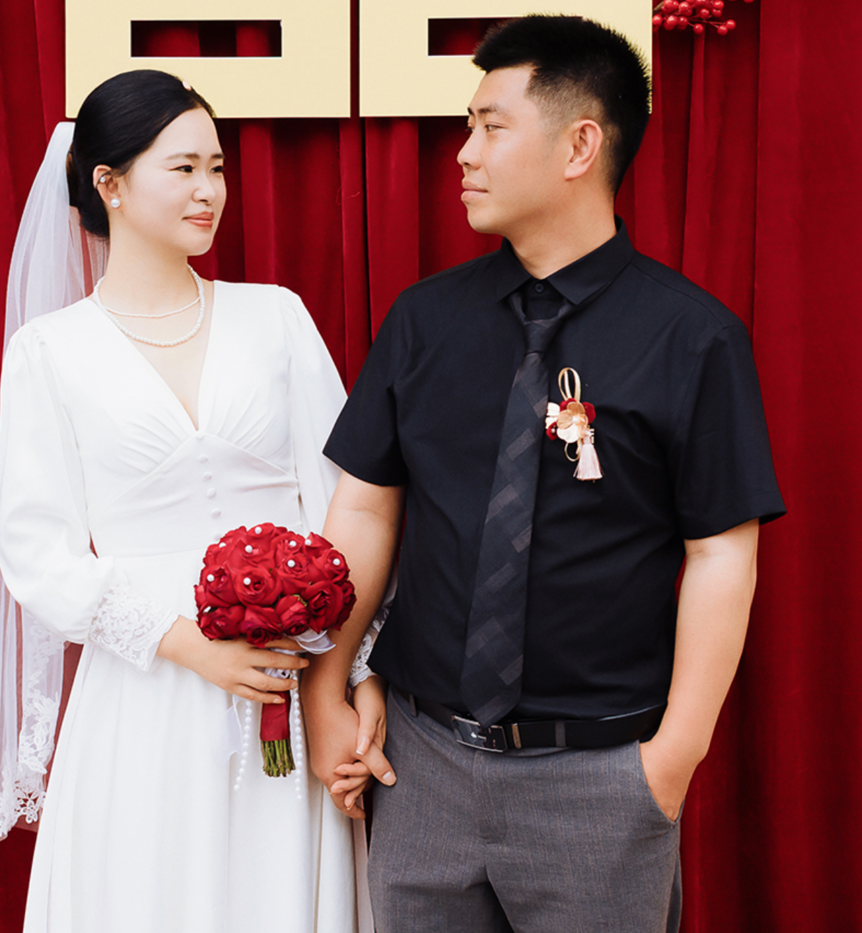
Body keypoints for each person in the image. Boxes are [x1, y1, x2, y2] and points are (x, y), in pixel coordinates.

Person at [304, 15, 786, 933]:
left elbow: (723, 554)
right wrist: (323, 692)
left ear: (579, 145)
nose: (464, 153)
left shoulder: (693, 337)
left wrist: (670, 761)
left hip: (600, 778)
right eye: (469, 126)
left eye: (491, 126)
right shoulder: (424, 320)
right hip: (420, 763)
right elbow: (364, 510)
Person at [0, 70, 383, 932]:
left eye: (218, 168)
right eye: (185, 168)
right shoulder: (50, 351)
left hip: (288, 672)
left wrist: (354, 670)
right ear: (110, 184)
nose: (210, 191)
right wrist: (183, 643)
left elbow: (347, 499)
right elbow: (37, 550)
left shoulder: (276, 318)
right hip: (144, 689)